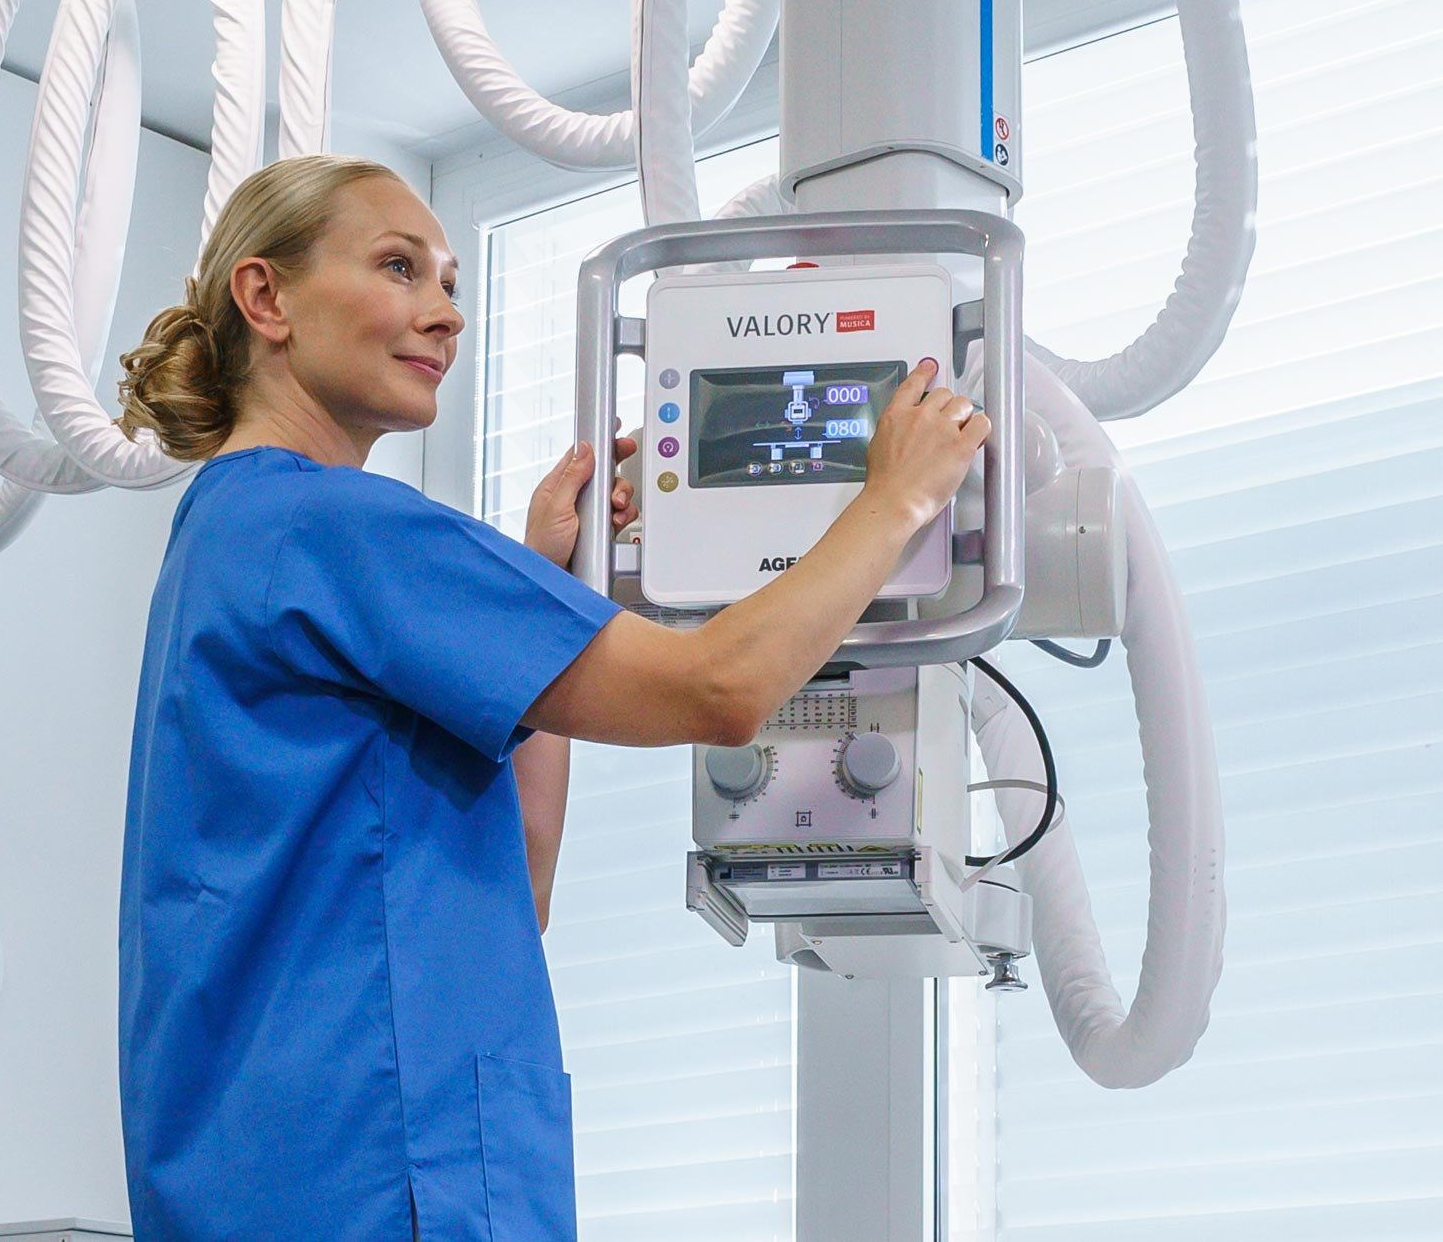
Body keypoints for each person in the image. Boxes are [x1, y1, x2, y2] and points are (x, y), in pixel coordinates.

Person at [112, 153, 989, 1242]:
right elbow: (722, 688)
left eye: (451, 284)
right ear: (266, 296)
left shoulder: (230, 535)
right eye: (398, 267)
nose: (445, 314)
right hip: (379, 1175)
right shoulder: (334, 525)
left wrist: (550, 599)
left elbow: (515, 884)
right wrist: (898, 497)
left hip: (292, 1175)